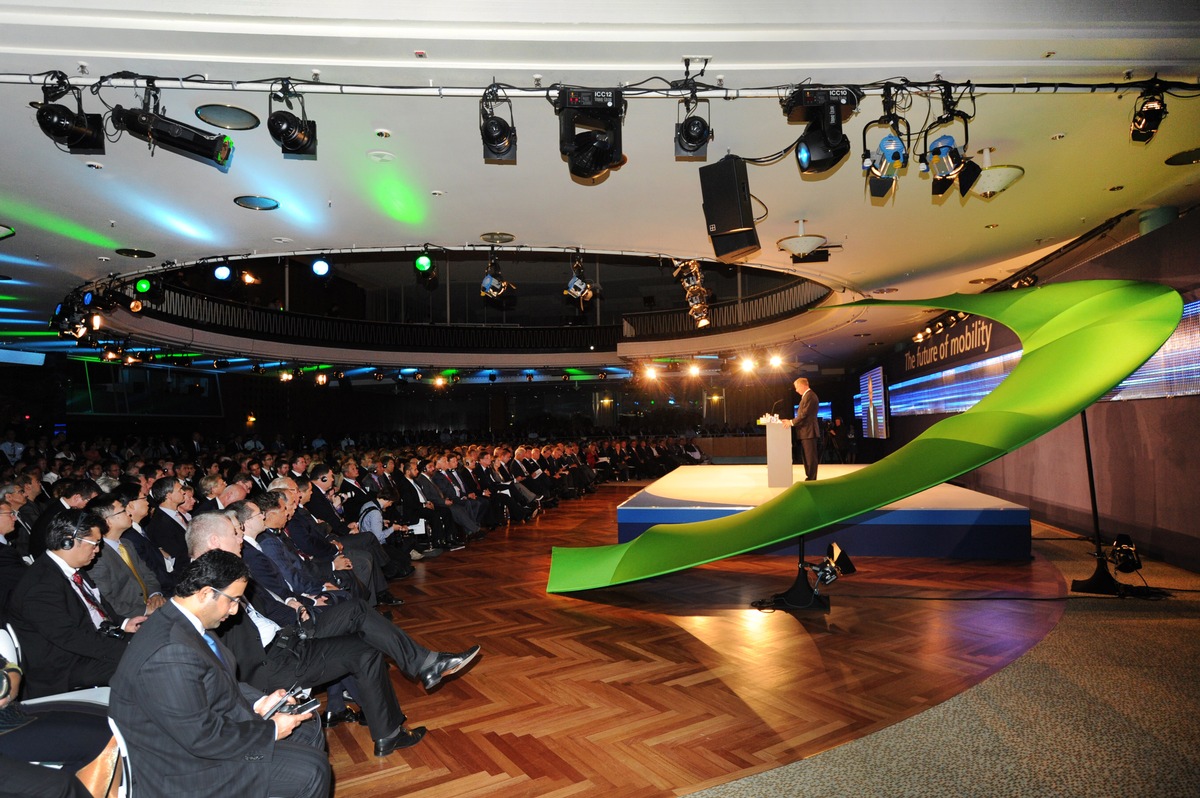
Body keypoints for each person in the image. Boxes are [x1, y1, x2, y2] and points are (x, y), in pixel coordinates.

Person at [108, 549, 331, 798]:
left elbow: (219, 679)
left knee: (306, 729)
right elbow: (200, 739)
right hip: (185, 769)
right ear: (205, 593)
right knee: (312, 770)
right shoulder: (169, 652)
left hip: (198, 740)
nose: (235, 610)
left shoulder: (184, 622)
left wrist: (260, 701)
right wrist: (270, 730)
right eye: (233, 600)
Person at [788, 377, 820, 481]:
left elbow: (804, 414)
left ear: (802, 385)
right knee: (806, 457)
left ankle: (812, 478)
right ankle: (809, 477)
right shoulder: (806, 396)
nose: (796, 390)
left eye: (797, 387)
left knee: (810, 457)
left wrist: (791, 422)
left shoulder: (810, 396)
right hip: (805, 431)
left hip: (809, 431)